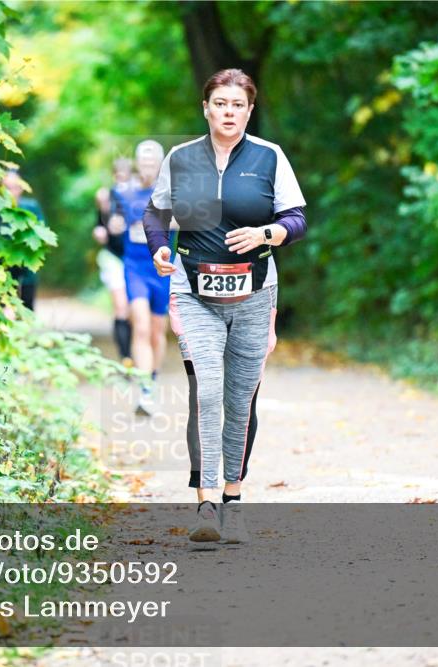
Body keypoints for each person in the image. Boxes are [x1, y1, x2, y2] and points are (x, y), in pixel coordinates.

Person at [142, 69, 307, 543]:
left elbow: (296, 219)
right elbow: (156, 212)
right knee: (207, 392)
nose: (228, 112)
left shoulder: (269, 157)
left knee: (241, 399)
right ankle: (207, 504)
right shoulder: (182, 157)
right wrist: (159, 247)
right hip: (195, 293)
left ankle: (233, 498)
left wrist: (267, 234)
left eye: (238, 104)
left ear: (249, 111)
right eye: (220, 103)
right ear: (206, 108)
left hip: (255, 294)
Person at [114, 140, 174, 417]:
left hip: (161, 268)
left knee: (156, 331)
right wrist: (113, 225)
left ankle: (154, 376)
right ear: (138, 163)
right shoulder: (124, 193)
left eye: (153, 162)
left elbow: (184, 222)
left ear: (160, 164)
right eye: (144, 161)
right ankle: (146, 390)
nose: (148, 166)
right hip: (134, 266)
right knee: (139, 326)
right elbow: (115, 221)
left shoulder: (170, 193)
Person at [93, 158, 134, 364]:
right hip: (112, 257)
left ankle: (137, 352)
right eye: (118, 178)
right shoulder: (106, 197)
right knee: (121, 307)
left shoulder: (140, 197)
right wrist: (100, 230)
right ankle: (126, 357)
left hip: (136, 258)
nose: (122, 182)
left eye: (126, 178)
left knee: (136, 308)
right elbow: (99, 224)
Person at [1, 169, 45, 311]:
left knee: (27, 307)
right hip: (4, 267)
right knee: (5, 306)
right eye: (6, 187)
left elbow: (42, 232)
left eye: (13, 187)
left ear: (21, 188)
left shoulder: (31, 207)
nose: (10, 192)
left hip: (27, 266)